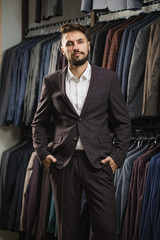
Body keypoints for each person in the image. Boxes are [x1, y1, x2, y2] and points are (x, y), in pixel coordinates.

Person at [32, 23, 131, 240]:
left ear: (88, 44)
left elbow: (122, 122)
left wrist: (118, 156)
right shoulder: (51, 82)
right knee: (67, 230)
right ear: (63, 50)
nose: (75, 47)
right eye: (70, 44)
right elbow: (38, 123)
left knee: (106, 228)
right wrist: (41, 152)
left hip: (99, 162)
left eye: (79, 42)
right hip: (63, 163)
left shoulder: (108, 79)